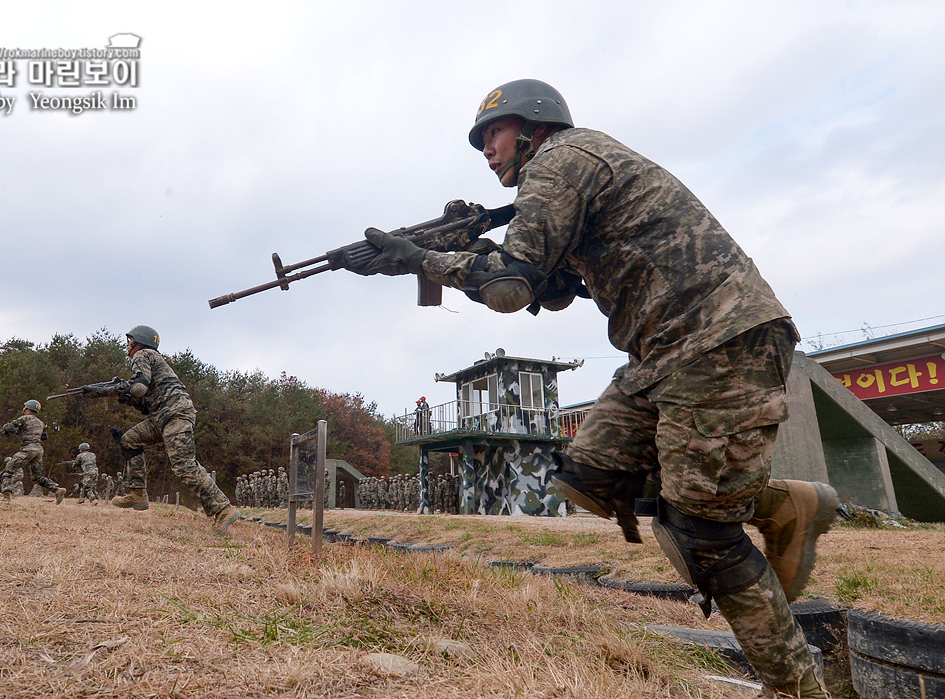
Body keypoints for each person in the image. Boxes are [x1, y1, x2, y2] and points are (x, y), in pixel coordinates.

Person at [348, 79, 839, 698]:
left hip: (715, 339)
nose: (486, 150)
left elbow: (512, 289)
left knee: (703, 537)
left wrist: (421, 260)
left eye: (492, 135)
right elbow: (551, 289)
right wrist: (466, 250)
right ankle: (773, 503)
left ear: (533, 126)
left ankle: (799, 689)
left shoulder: (558, 163)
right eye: (479, 143)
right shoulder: (565, 169)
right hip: (667, 348)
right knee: (593, 474)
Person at [92, 325, 240, 534]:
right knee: (129, 440)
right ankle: (138, 493)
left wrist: (115, 389)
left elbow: (138, 387)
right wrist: (119, 394)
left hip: (174, 414)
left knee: (184, 466)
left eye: (129, 340)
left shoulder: (143, 354)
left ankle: (223, 509)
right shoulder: (152, 359)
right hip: (163, 416)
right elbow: (144, 403)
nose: (127, 345)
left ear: (139, 341)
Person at [0, 400, 65, 504]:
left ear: (28, 408)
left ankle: (7, 496)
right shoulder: (41, 423)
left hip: (27, 449)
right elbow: (44, 437)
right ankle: (57, 490)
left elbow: (9, 427)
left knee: (8, 470)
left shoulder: (24, 418)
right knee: (37, 477)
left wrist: (6, 430)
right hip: (38, 450)